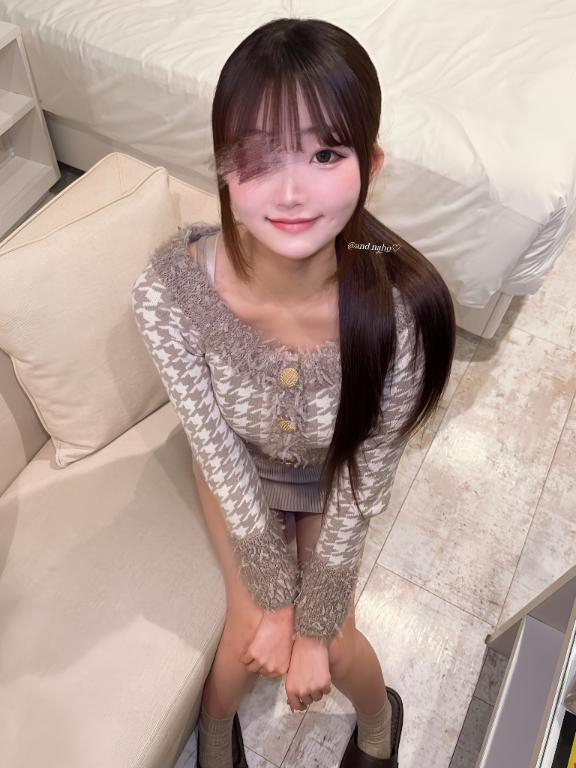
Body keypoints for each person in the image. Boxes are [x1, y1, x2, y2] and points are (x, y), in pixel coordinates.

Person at [131, 17, 455, 768]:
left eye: (325, 153)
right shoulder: (170, 294)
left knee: (333, 642)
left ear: (371, 163)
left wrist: (313, 620)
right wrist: (275, 597)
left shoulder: (401, 314)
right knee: (249, 630)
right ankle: (216, 742)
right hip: (236, 475)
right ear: (223, 168)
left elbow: (366, 478)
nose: (290, 190)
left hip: (333, 478)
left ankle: (379, 723)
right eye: (258, 158)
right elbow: (215, 449)